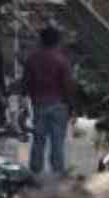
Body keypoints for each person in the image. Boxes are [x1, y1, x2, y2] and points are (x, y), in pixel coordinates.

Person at [22, 26, 75, 178]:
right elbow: (68, 85)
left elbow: (25, 83)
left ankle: (35, 173)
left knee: (38, 140)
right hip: (59, 105)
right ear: (57, 41)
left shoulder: (32, 59)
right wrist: (71, 107)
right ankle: (58, 173)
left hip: (39, 105)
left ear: (41, 40)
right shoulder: (62, 60)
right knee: (57, 142)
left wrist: (25, 101)